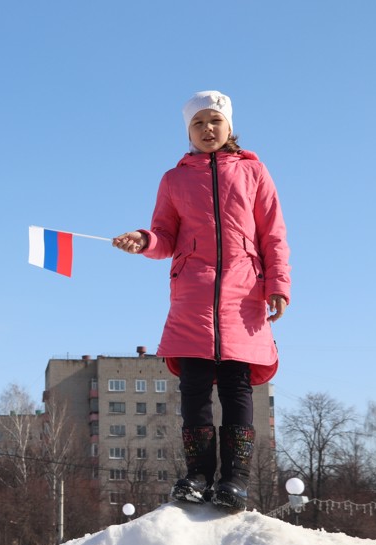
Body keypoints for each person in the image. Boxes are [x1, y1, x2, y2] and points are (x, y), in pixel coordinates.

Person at [113, 91, 291, 510]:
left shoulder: (254, 173)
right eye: (198, 123)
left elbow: (273, 233)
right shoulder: (174, 179)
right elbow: (164, 236)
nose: (207, 129)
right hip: (192, 297)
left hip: (244, 296)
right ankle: (196, 476)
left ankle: (234, 480)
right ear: (188, 131)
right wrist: (144, 240)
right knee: (192, 389)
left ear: (228, 127)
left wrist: (278, 284)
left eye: (215, 121)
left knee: (237, 388)